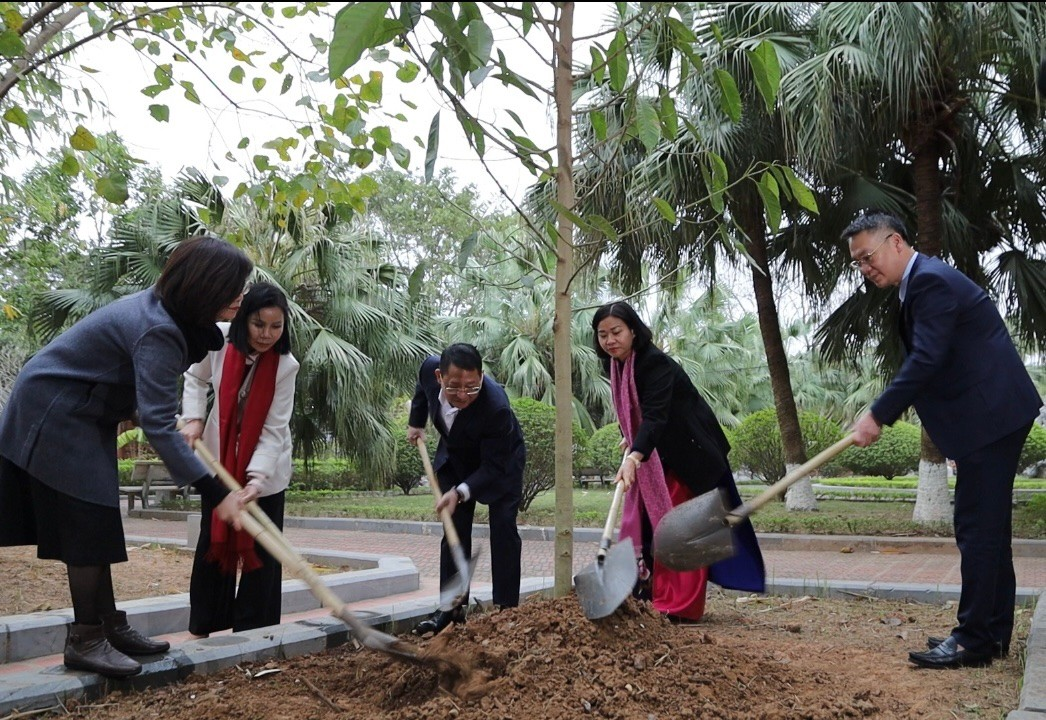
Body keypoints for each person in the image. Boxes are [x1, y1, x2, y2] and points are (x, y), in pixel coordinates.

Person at [0, 236, 253, 678]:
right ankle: (85, 639)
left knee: (98, 520)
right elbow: (154, 422)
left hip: (81, 409)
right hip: (57, 411)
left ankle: (109, 627)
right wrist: (217, 493)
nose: (241, 295)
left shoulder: (166, 317)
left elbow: (130, 388)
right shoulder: (159, 328)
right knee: (89, 520)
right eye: (234, 286)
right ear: (206, 286)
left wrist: (157, 416)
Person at [842, 211, 1042, 669]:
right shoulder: (922, 283)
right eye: (856, 263)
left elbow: (927, 359)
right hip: (992, 418)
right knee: (988, 531)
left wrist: (878, 414)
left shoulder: (929, 281)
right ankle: (989, 634)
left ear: (895, 243)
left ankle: (972, 640)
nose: (864, 268)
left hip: (990, 420)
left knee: (977, 530)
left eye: (867, 256)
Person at [592, 301, 765, 622]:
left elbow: (656, 417)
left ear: (633, 331)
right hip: (658, 455)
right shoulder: (617, 366)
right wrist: (630, 437)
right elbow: (636, 414)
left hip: (690, 456)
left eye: (616, 332)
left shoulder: (655, 364)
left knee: (682, 530)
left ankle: (681, 606)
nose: (610, 340)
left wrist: (634, 455)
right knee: (649, 527)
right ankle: (652, 591)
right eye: (602, 335)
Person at [179, 282, 299, 637]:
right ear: (244, 319)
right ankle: (205, 623)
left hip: (268, 469)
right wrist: (195, 418)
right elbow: (194, 377)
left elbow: (274, 430)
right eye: (259, 324)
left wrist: (256, 481)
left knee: (263, 546)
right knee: (211, 541)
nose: (267, 335)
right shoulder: (217, 339)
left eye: (276, 326)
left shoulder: (286, 366)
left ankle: (255, 630)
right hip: (218, 463)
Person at [406, 343, 525, 635]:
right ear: (439, 376)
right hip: (455, 459)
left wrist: (459, 492)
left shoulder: (496, 407)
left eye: (471, 388)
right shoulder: (427, 370)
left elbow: (493, 466)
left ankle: (506, 610)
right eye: (454, 387)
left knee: (503, 531)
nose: (462, 395)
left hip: (500, 464)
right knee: (454, 532)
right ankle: (451, 609)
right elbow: (421, 394)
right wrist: (416, 423)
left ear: (481, 377)